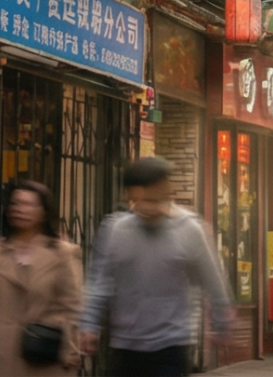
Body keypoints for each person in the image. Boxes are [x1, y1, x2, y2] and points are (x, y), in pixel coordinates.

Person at [78, 156, 233, 377]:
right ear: (129, 196)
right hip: (125, 345)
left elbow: (213, 280)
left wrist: (221, 322)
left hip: (171, 345)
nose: (147, 208)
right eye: (139, 201)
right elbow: (99, 282)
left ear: (166, 190)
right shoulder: (116, 230)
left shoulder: (189, 230)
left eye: (153, 199)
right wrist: (89, 325)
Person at [0, 179, 84, 376]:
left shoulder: (62, 254)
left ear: (44, 212)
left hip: (45, 355)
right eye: (15, 203)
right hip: (4, 356)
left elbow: (73, 305)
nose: (20, 209)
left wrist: (71, 349)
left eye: (29, 204)